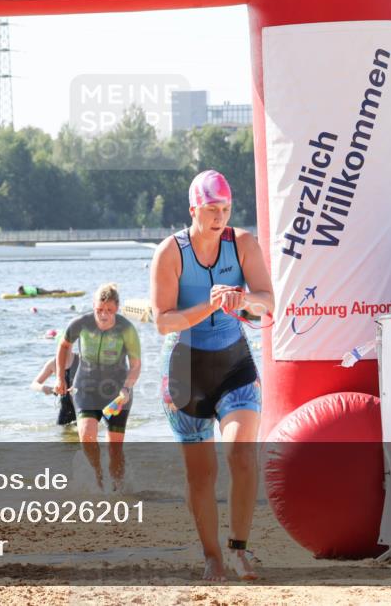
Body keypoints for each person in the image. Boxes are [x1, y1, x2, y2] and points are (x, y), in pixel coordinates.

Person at [150, 169, 275, 581]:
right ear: (193, 210)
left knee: (241, 454)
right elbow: (163, 322)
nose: (219, 217)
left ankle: (239, 548)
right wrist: (210, 304)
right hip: (184, 370)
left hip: (233, 364)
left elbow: (267, 302)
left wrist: (243, 300)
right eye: (211, 210)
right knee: (201, 474)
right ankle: (212, 556)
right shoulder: (170, 253)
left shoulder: (242, 244)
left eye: (225, 209)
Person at [55, 283, 141, 489]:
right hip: (86, 388)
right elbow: (63, 345)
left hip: (118, 391)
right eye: (100, 310)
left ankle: (119, 488)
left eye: (109, 310)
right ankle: (98, 477)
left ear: (117, 308)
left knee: (115, 448)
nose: (104, 315)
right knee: (86, 436)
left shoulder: (126, 329)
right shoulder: (80, 323)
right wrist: (60, 377)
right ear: (93, 306)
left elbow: (136, 365)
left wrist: (127, 388)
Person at [30, 339, 79, 427]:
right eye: (63, 345)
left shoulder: (80, 360)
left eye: (68, 344)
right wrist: (49, 389)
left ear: (72, 344)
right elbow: (34, 384)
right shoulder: (53, 363)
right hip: (65, 410)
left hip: (82, 408)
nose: (66, 347)